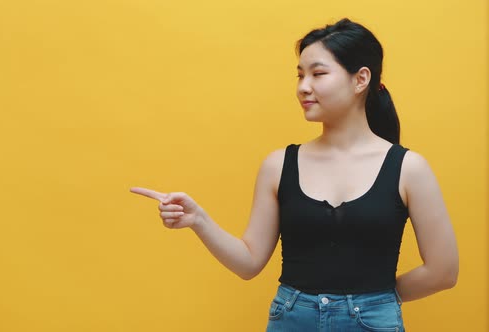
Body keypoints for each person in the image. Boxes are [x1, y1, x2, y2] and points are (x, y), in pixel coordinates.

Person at [130, 18, 458, 332]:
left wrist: (379, 299)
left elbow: (443, 271)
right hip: (291, 320)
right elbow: (248, 263)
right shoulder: (278, 165)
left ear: (361, 79)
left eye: (318, 74)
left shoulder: (409, 168)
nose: (303, 87)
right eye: (300, 75)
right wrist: (198, 220)